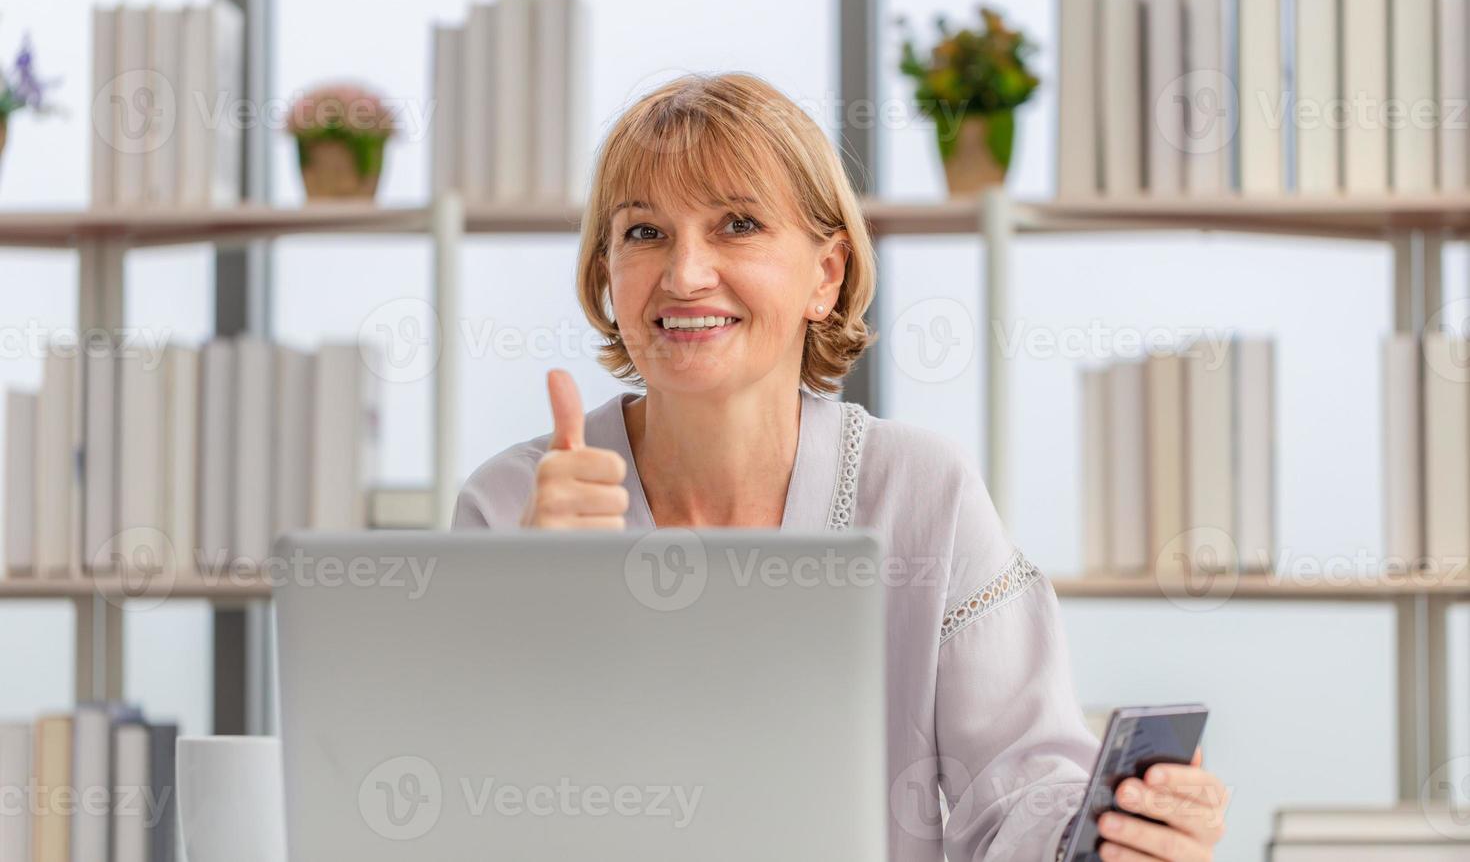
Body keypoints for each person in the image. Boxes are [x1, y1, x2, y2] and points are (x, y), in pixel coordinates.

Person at [452, 73, 1229, 861]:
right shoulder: (509, 504)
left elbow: (1020, 789)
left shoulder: (924, 493)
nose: (685, 275)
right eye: (645, 233)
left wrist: (1119, 831)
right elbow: (450, 811)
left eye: (738, 224)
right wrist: (534, 604)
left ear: (826, 274)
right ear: (607, 275)